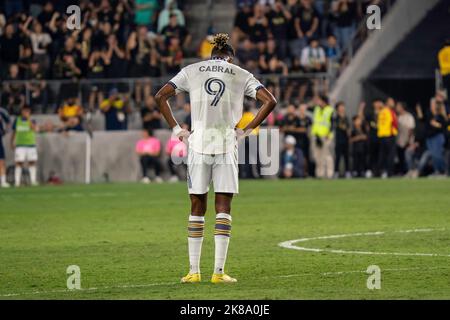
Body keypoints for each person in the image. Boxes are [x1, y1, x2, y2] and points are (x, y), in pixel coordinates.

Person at [155, 33, 277, 284]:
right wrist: (246, 130)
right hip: (225, 144)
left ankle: (193, 271)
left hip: (198, 144)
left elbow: (160, 96)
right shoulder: (239, 73)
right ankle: (218, 273)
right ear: (229, 58)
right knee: (223, 207)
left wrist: (178, 130)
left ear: (212, 56)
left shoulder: (192, 70)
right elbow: (270, 101)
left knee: (196, 207)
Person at [11, 105, 39, 187]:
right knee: (19, 162)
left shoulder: (32, 120)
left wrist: (29, 119)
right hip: (20, 145)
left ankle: (33, 181)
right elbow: (14, 132)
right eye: (24, 111)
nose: (26, 112)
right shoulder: (17, 120)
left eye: (28, 111)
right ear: (22, 111)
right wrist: (11, 142)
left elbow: (35, 129)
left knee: (32, 162)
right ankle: (17, 182)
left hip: (30, 145)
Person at [311, 95, 334, 179]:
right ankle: (320, 174)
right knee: (317, 156)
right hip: (316, 135)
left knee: (326, 155)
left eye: (318, 100)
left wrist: (329, 134)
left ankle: (329, 173)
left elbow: (333, 124)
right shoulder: (317, 109)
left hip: (325, 136)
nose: (317, 102)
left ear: (323, 101)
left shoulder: (330, 110)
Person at [425, 97, 447, 176]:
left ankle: (444, 170)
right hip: (429, 137)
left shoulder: (440, 114)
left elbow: (444, 125)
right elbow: (428, 123)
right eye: (432, 103)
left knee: (438, 154)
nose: (433, 105)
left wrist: (437, 124)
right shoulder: (429, 113)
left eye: (434, 103)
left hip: (438, 137)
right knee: (433, 155)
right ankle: (437, 171)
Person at [377, 97, 398, 178]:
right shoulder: (390, 111)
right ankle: (389, 172)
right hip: (389, 135)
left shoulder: (381, 112)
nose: (393, 103)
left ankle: (379, 172)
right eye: (391, 101)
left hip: (382, 136)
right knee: (390, 155)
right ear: (387, 102)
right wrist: (395, 132)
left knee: (382, 155)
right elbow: (394, 123)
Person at [395, 102, 415, 175]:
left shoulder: (409, 117)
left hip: (407, 141)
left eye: (398, 106)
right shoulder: (398, 117)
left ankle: (411, 171)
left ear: (402, 107)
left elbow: (411, 130)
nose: (396, 108)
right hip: (399, 141)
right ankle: (402, 172)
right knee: (400, 157)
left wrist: (408, 141)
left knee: (407, 156)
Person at [333, 101, 351, 178]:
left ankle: (347, 172)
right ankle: (336, 172)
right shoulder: (336, 118)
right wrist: (346, 128)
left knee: (346, 157)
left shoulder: (346, 118)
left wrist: (348, 131)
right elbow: (342, 127)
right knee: (338, 157)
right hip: (338, 140)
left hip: (346, 140)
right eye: (340, 107)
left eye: (343, 106)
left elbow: (348, 129)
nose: (342, 108)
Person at [0, 106, 10, 187]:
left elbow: (8, 121)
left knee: (1, 161)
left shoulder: (2, 111)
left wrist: (5, 131)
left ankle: (3, 181)